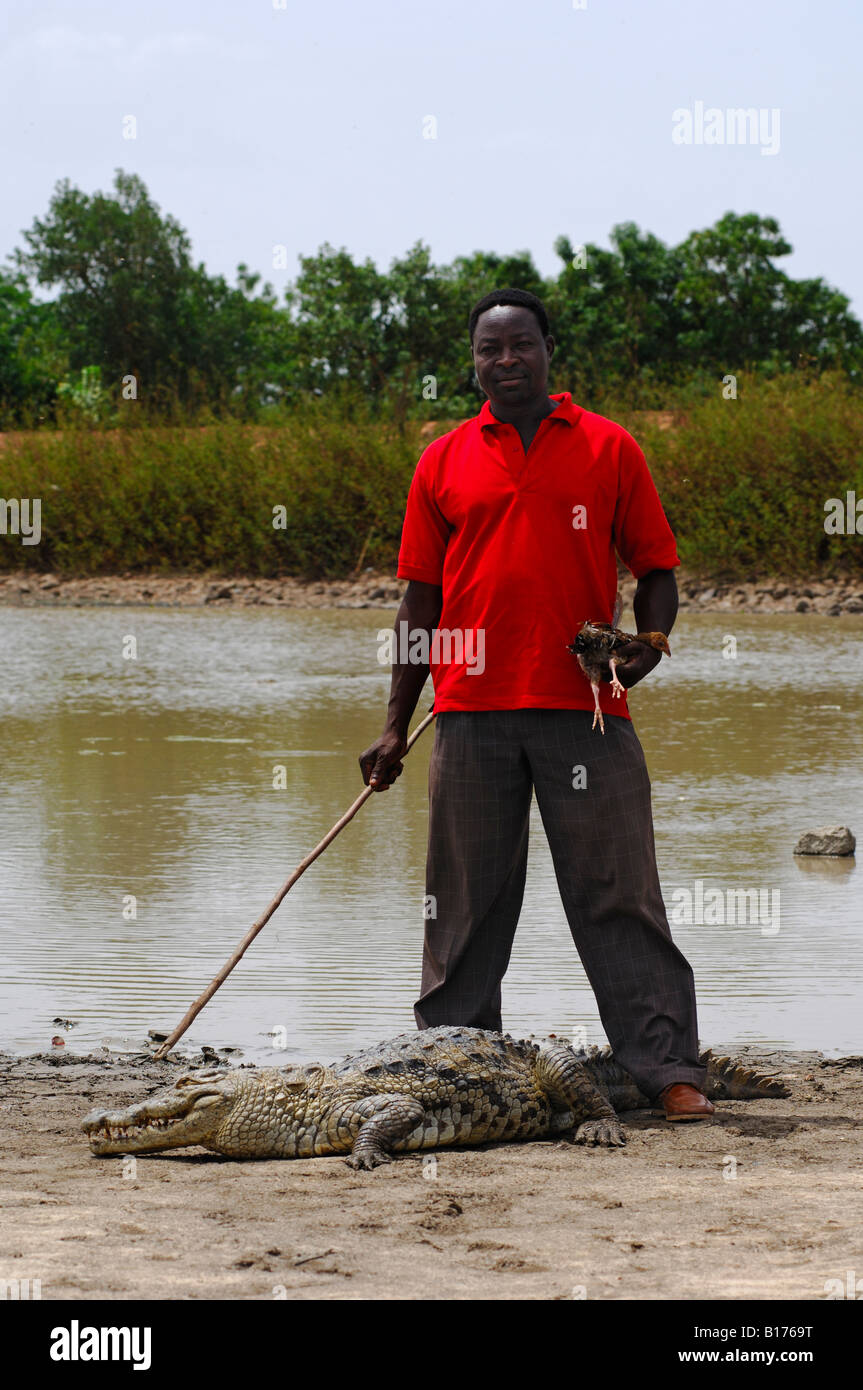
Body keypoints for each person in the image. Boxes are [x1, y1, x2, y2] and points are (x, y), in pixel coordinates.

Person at [358, 288, 713, 1121]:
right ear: (473, 361)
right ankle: (453, 1061)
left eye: (520, 345)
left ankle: (666, 1070)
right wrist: (391, 726)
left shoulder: (607, 447)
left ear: (549, 351)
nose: (505, 361)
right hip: (470, 709)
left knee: (618, 892)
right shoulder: (442, 459)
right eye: (489, 350)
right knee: (465, 901)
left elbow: (656, 567)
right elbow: (419, 601)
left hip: (586, 708)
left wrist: (648, 647)